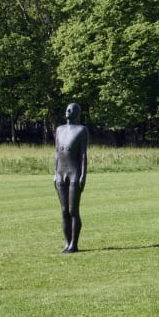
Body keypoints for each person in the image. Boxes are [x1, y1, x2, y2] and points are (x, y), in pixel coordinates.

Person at [54, 103, 88, 253]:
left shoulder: (82, 130)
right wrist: (55, 173)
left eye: (72, 109)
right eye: (67, 108)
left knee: (73, 210)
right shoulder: (59, 130)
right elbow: (57, 153)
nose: (68, 111)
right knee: (64, 211)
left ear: (77, 113)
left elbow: (83, 155)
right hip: (60, 174)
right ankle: (67, 243)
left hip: (74, 173)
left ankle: (74, 244)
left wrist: (83, 175)